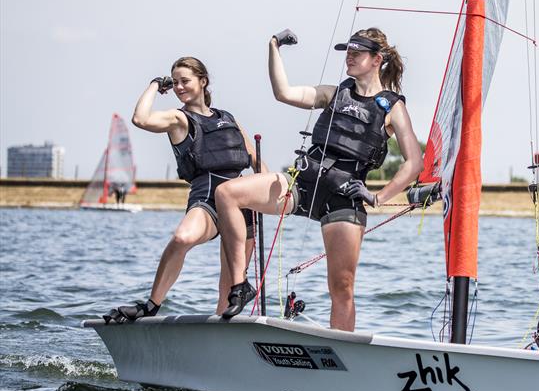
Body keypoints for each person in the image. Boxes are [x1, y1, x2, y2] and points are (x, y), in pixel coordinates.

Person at [215, 28, 423, 331]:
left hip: (344, 197)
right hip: (302, 182)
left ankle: (341, 351)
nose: (349, 58)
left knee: (342, 286)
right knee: (228, 194)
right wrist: (273, 47)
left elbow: (414, 162)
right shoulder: (334, 92)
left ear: (377, 59)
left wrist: (379, 196)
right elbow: (283, 92)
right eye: (347, 52)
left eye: (357, 53)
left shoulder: (392, 107)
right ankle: (239, 285)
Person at [103, 57, 258, 323]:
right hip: (208, 200)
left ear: (203, 81)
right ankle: (151, 305)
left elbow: (254, 158)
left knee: (231, 288)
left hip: (243, 205)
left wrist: (274, 188)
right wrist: (155, 84)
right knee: (183, 238)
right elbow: (140, 118)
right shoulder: (179, 118)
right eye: (174, 82)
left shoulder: (228, 118)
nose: (179, 87)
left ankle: (225, 336)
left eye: (184, 81)